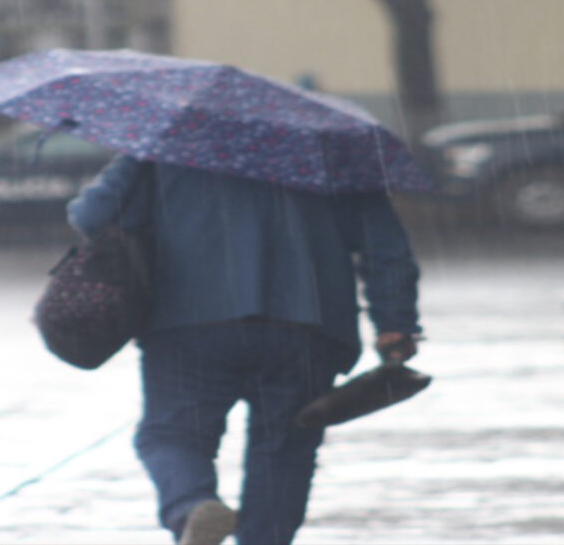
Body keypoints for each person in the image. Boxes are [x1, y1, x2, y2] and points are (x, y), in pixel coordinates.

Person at [67, 153, 423, 545]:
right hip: (307, 323)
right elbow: (385, 246)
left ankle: (192, 504)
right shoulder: (328, 150)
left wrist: (140, 165)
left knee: (172, 435)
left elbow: (92, 215)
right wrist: (395, 322)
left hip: (190, 319)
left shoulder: (168, 147)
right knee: (284, 452)